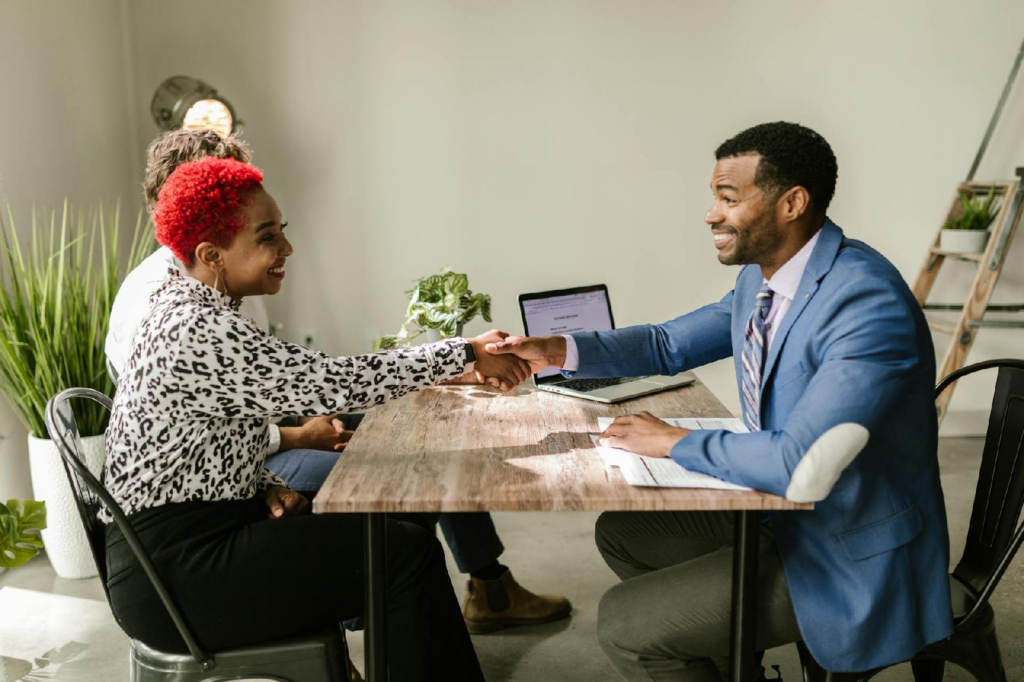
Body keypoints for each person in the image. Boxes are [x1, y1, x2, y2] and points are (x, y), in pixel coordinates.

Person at [483, 122, 954, 680]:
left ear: (792, 203)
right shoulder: (765, 279)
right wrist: (553, 350)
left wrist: (675, 441)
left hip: (845, 546)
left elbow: (802, 464)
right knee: (625, 532)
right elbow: (666, 342)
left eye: (728, 198)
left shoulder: (863, 301)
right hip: (785, 517)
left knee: (624, 624)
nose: (711, 214)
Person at [105, 130, 572, 644]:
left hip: (202, 532)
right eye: (267, 237)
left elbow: (205, 438)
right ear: (210, 251)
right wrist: (460, 351)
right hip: (174, 572)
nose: (286, 247)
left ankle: (477, 593)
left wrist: (261, 486)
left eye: (280, 230)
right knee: (401, 552)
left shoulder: (198, 300)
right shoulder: (189, 323)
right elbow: (329, 383)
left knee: (397, 536)